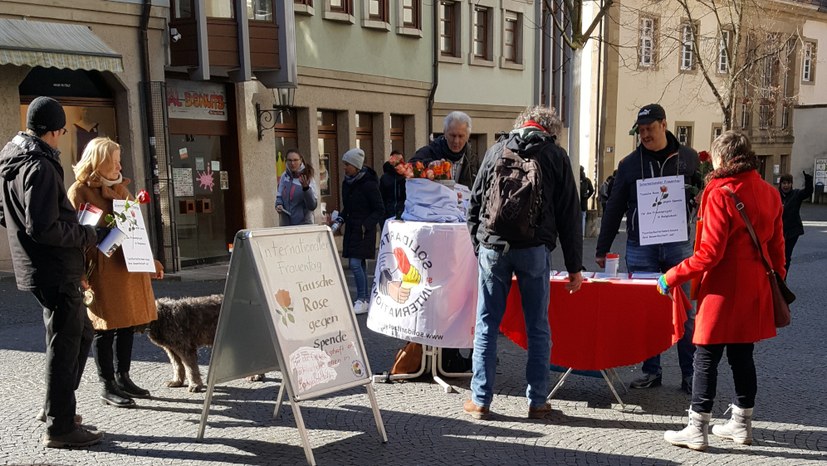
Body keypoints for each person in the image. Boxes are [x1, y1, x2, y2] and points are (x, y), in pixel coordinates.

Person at [658, 131, 784, 451]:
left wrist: (672, 276)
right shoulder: (770, 193)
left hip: (722, 289)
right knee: (743, 356)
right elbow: (778, 251)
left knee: (706, 357)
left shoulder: (720, 192)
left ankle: (696, 427)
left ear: (721, 158)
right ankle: (742, 426)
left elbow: (709, 254)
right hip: (754, 288)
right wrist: (773, 281)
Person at [465, 105, 583, 420]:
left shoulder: (495, 151)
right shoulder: (555, 157)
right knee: (538, 327)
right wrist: (574, 267)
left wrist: (480, 246)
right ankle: (538, 401)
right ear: (550, 131)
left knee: (487, 323)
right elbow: (570, 215)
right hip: (533, 250)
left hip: (493, 248)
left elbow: (474, 204)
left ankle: (480, 400)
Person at [0, 96, 105, 448]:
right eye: (60, 132)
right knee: (65, 345)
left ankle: (55, 409)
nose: (61, 138)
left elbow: (6, 215)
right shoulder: (41, 166)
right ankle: (60, 426)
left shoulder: (10, 158)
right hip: (56, 269)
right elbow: (43, 227)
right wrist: (85, 232)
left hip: (35, 268)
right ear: (52, 131)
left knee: (74, 336)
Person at [596, 103, 701, 394]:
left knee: (686, 311)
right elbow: (615, 206)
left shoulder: (689, 159)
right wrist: (602, 247)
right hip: (641, 245)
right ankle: (651, 371)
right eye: (641, 131)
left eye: (650, 129)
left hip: (678, 245)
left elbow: (706, 193)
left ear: (663, 124)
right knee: (647, 311)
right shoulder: (629, 164)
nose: (645, 135)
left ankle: (690, 374)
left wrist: (699, 199)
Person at [67, 137, 164, 408]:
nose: (120, 165)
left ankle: (124, 377)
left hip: (129, 266)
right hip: (102, 268)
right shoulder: (80, 191)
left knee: (128, 324)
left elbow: (136, 230)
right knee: (105, 327)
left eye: (119, 160)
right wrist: (80, 273)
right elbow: (74, 235)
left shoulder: (121, 189)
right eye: (114, 161)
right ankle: (107, 384)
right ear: (99, 162)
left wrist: (150, 260)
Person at [330, 148, 384, 315]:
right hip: (352, 229)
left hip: (363, 231)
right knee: (359, 263)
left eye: (347, 164)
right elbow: (348, 207)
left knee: (354, 264)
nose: (344, 167)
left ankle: (362, 298)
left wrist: (366, 225)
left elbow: (379, 209)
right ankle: (365, 299)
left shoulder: (369, 184)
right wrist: (339, 220)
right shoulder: (347, 183)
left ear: (356, 165)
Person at [411, 111, 479, 188]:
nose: (456, 141)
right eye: (452, 135)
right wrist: (428, 165)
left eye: (460, 136)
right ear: (445, 133)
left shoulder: (473, 160)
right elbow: (410, 166)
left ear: (468, 136)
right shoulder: (430, 151)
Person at [778, 171, 813, 273]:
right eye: (784, 183)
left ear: (791, 184)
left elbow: (808, 191)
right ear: (780, 184)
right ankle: (777, 277)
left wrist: (808, 180)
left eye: (788, 183)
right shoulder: (776, 195)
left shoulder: (796, 194)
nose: (786, 185)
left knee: (786, 255)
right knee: (777, 255)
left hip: (793, 230)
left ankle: (783, 278)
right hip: (778, 230)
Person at [276, 149, 318, 225]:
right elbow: (279, 195)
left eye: (295, 160)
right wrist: (279, 205)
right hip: (286, 225)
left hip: (303, 225)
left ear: (301, 160)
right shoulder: (284, 176)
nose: (292, 163)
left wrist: (306, 189)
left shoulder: (307, 177)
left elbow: (312, 206)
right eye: (289, 160)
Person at [379, 150, 407, 220]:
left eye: (401, 161)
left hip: (403, 215)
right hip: (388, 215)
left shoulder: (406, 177)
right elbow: (381, 197)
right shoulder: (385, 178)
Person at [580, 165, 595, 235]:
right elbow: (591, 190)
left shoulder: (575, 177)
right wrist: (586, 196)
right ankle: (582, 233)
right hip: (583, 201)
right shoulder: (587, 180)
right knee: (583, 217)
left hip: (577, 201)